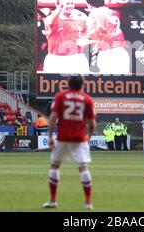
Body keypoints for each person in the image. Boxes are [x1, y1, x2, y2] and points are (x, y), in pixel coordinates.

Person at [42, 75, 96, 210]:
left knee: (55, 165)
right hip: (79, 138)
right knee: (83, 167)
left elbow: (53, 117)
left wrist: (49, 136)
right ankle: (88, 202)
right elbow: (92, 123)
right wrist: (88, 136)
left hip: (63, 137)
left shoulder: (61, 96)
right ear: (82, 85)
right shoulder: (87, 99)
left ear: (68, 84)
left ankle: (53, 200)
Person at [81, 0, 130, 74]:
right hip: (122, 53)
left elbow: (90, 37)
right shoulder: (113, 12)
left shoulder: (94, 15)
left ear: (90, 4)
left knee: (107, 85)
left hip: (108, 55)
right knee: (124, 85)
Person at [42, 0, 90, 74]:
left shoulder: (82, 17)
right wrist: (60, 7)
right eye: (67, 4)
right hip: (56, 60)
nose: (70, 6)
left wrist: (84, 40)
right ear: (58, 4)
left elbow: (88, 34)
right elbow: (49, 22)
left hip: (77, 59)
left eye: (72, 3)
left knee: (83, 85)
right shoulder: (51, 18)